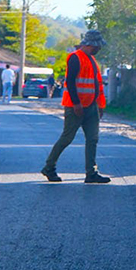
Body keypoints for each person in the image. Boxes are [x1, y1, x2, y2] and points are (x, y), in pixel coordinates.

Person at [41, 30, 110, 183]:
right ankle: (49, 167)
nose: (99, 49)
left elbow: (97, 85)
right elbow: (70, 82)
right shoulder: (75, 58)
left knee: (93, 139)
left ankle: (91, 173)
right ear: (91, 45)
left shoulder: (92, 60)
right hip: (76, 107)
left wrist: (100, 105)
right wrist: (77, 104)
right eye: (98, 47)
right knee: (67, 138)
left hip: (91, 106)